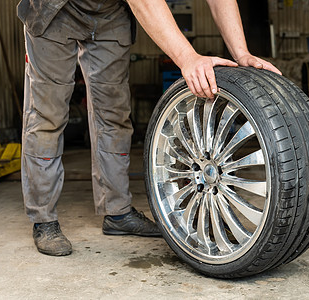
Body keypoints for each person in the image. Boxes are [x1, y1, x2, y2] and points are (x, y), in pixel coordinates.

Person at [17, 0, 281, 257]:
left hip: (110, 12)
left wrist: (241, 53)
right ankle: (44, 219)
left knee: (114, 115)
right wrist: (188, 58)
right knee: (47, 117)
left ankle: (117, 212)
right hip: (55, 8)